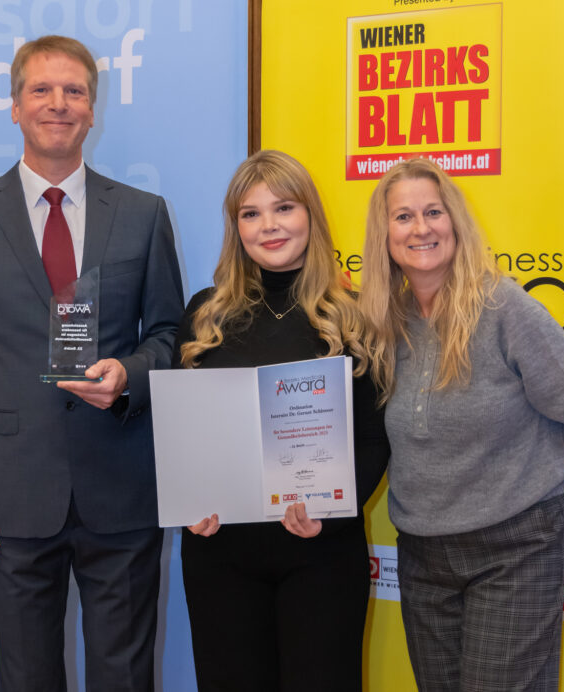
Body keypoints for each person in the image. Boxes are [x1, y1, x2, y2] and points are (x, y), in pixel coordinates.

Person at [0, 35, 184, 691]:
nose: (58, 104)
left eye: (74, 91)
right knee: (26, 678)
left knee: (125, 677)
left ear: (92, 111)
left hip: (123, 486)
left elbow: (168, 336)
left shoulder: (143, 214)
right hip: (13, 494)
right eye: (41, 89)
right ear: (15, 106)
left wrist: (129, 376)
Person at [359, 158, 564, 691]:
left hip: (516, 545)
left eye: (433, 212)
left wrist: (538, 474)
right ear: (384, 236)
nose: (421, 227)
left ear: (455, 220)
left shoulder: (502, 307)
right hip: (423, 553)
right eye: (403, 217)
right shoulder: (386, 322)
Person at [173, 150, 389, 691]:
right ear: (235, 227)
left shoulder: (353, 314)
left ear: (310, 216)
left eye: (283, 208)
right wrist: (187, 504)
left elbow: (374, 437)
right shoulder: (204, 315)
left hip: (320, 552)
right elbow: (185, 433)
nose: (268, 225)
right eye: (250, 213)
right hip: (219, 553)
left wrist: (331, 514)